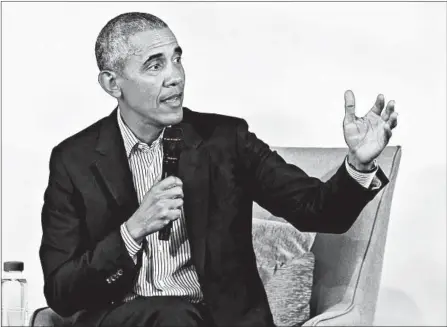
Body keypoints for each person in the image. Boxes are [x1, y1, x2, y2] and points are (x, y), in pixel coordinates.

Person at [39, 12, 398, 327]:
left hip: (215, 318)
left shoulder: (225, 140)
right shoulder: (74, 160)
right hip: (124, 318)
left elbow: (316, 209)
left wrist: (358, 163)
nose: (175, 76)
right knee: (172, 316)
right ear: (112, 83)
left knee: (181, 317)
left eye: (176, 59)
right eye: (154, 65)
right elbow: (61, 292)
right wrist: (133, 231)